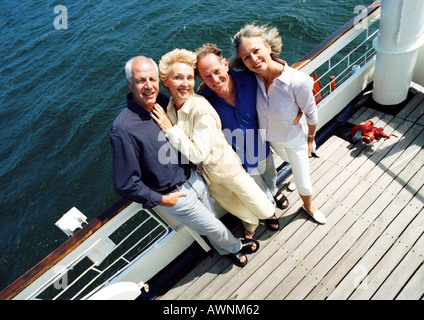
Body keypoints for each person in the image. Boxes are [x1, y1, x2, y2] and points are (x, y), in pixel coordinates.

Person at [110, 55, 258, 267]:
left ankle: (222, 248)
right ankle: (234, 247)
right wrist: (162, 200)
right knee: (213, 227)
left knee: (211, 221)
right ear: (129, 83)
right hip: (174, 196)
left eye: (152, 79)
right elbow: (125, 183)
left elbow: (187, 109)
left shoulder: (161, 101)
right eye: (141, 80)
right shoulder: (123, 129)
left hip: (195, 178)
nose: (149, 86)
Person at [151, 49, 277, 240]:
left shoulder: (201, 109)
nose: (185, 84)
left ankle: (269, 215)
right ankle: (250, 222)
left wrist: (170, 130)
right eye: (178, 78)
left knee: (262, 205)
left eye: (189, 78)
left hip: (226, 167)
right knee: (231, 205)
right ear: (166, 81)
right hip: (206, 175)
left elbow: (198, 154)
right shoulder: (169, 108)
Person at [230, 24, 326, 224]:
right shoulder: (250, 79)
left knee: (304, 183)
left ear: (268, 47)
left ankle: (308, 206)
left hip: (294, 140)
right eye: (246, 57)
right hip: (271, 142)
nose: (254, 59)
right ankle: (295, 172)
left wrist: (310, 139)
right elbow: (223, 76)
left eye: (256, 51)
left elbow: (311, 112)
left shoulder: (298, 81)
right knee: (287, 160)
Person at [195, 44, 296, 232]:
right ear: (201, 79)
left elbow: (275, 79)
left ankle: (274, 192)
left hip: (261, 144)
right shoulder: (203, 101)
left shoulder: (250, 80)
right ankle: (269, 212)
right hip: (237, 159)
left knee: (269, 173)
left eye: (217, 71)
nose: (215, 80)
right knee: (255, 187)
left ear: (225, 64)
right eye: (207, 76)